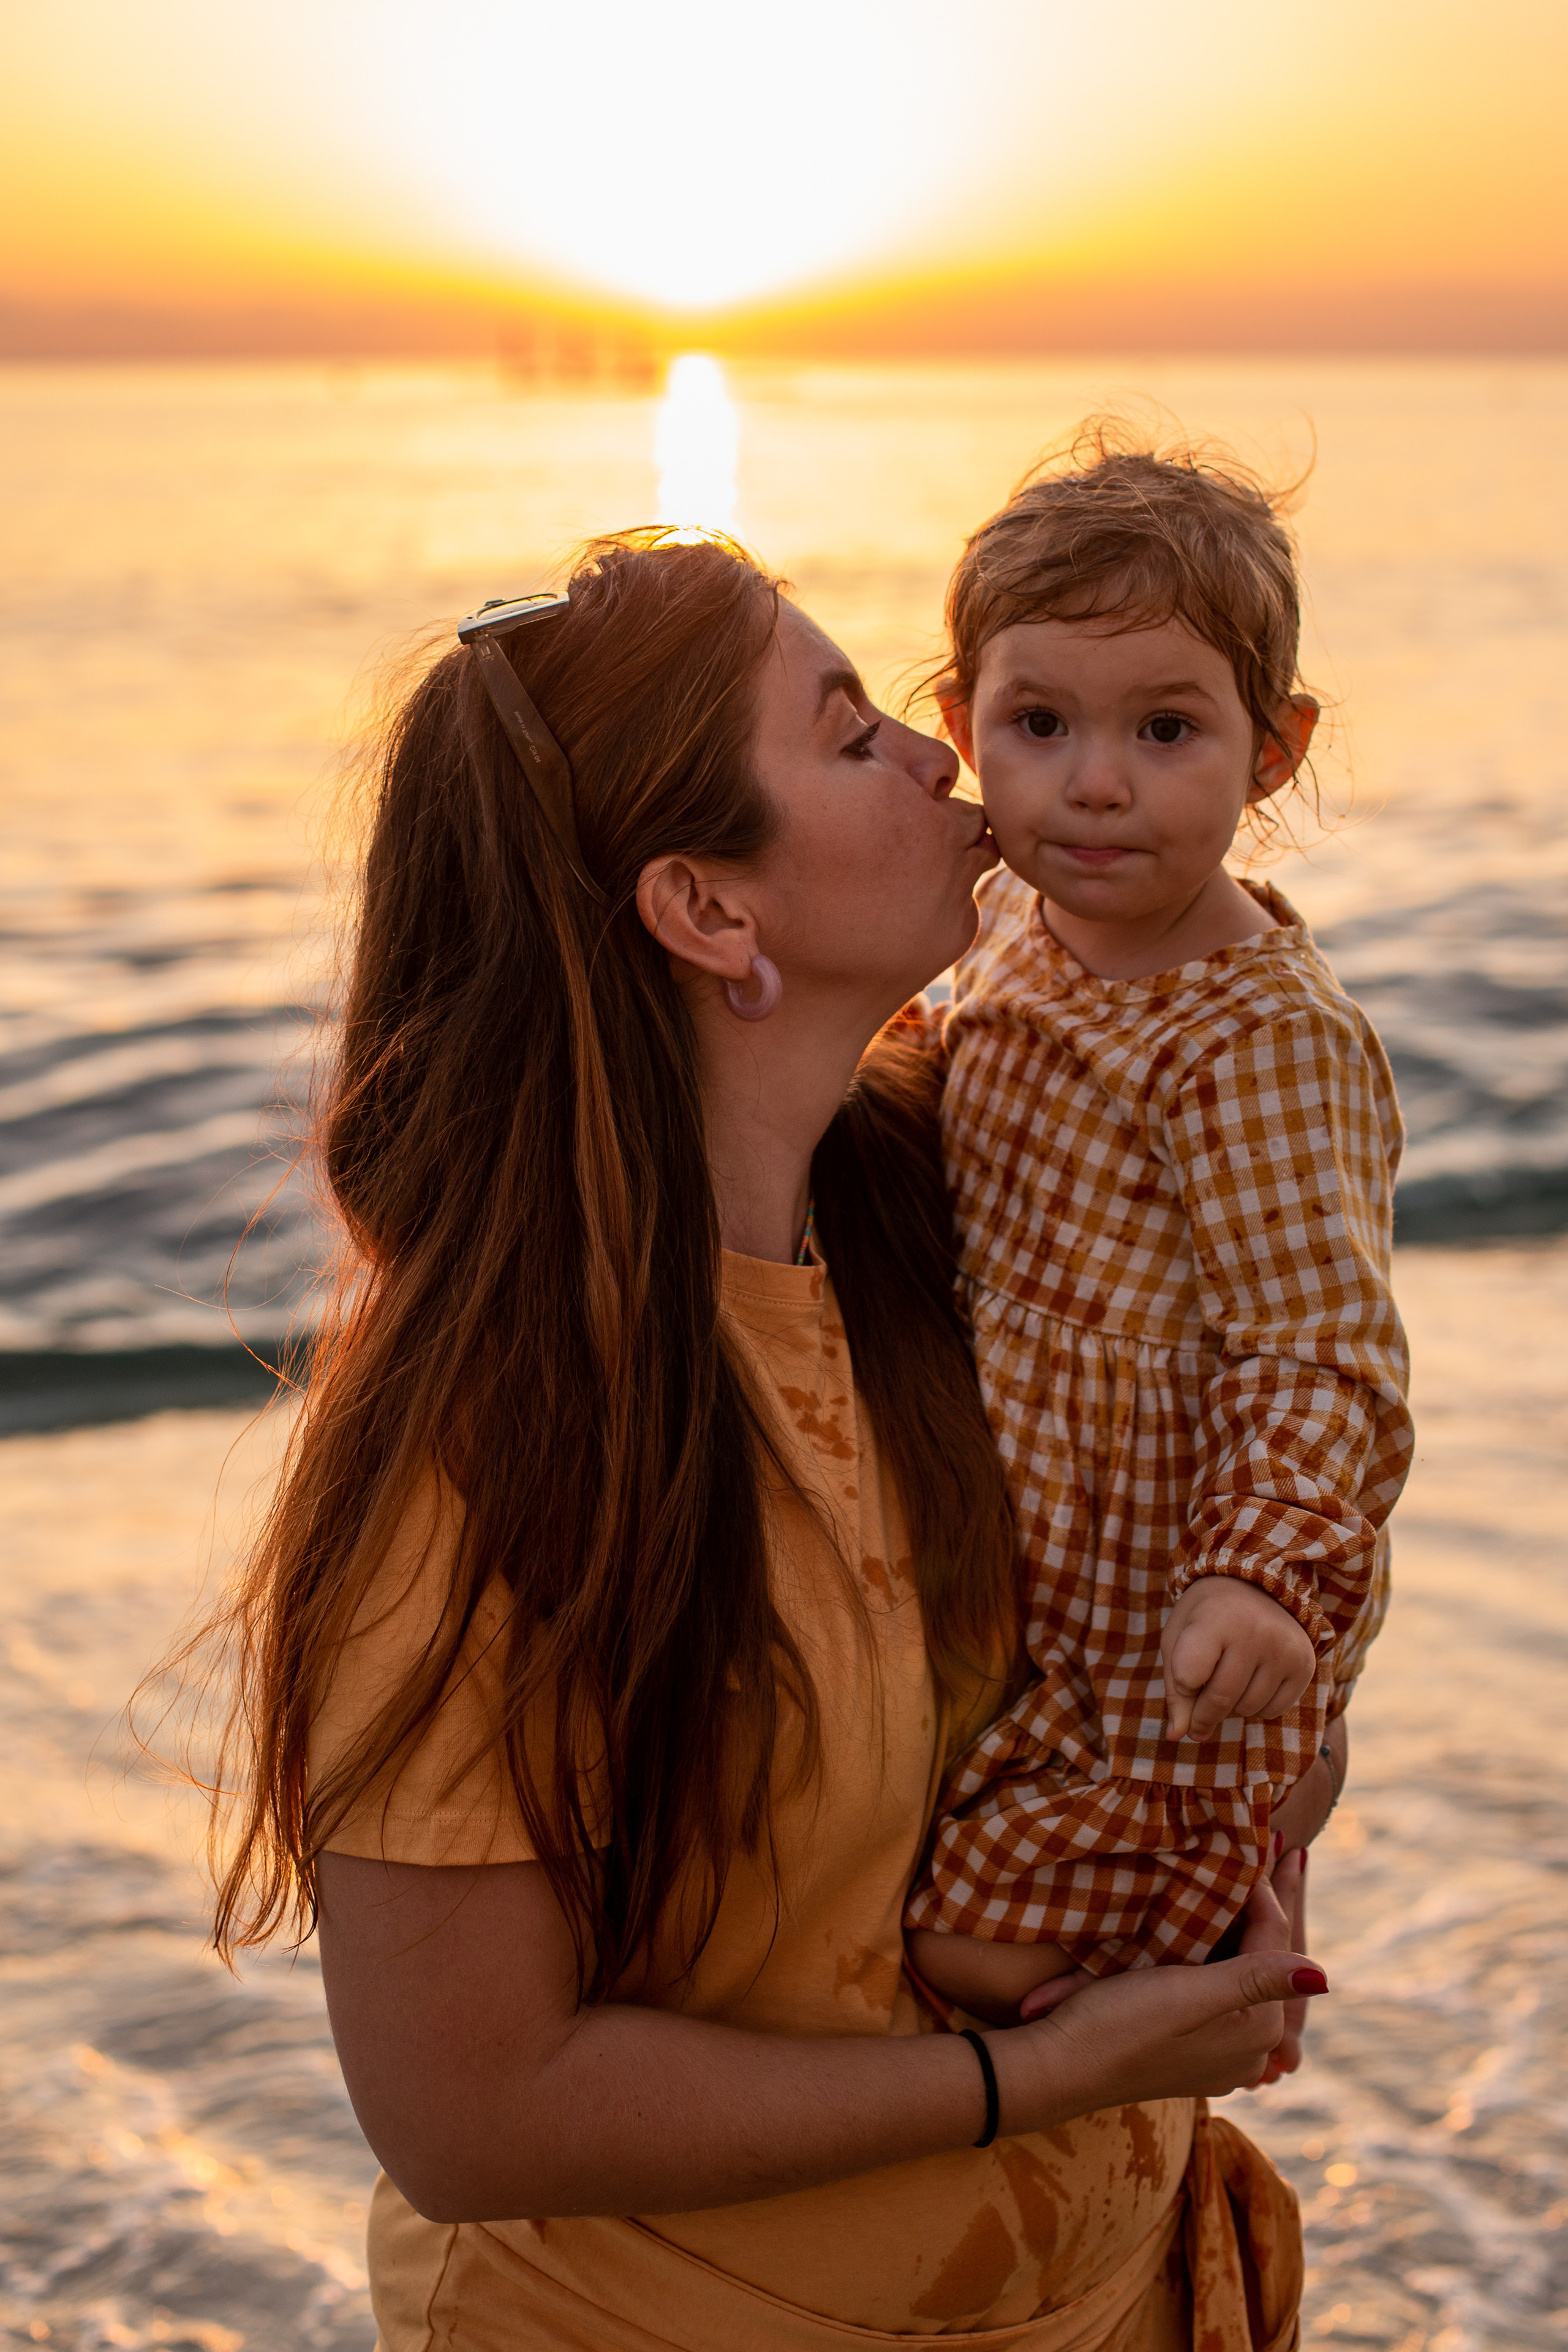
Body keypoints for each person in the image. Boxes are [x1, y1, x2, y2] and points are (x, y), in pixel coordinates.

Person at [209, 529, 1325, 2350]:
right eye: (851, 732)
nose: (941, 758)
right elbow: (472, 2112)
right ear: (710, 911)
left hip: (1118, 2297)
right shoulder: (495, 1437)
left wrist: (1254, 1822)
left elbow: (1211, 1623)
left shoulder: (983, 1223)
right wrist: (1031, 2083)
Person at [903, 430, 1413, 2044]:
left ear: (1274, 751)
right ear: (960, 728)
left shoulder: (1251, 1033)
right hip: (1021, 1529)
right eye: (1038, 725)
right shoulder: (998, 921)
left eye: (1167, 729)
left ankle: (1220, 1887)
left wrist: (1261, 1586)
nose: (1095, 781)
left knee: (977, 1956)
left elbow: (1322, 1351)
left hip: (1169, 1589)